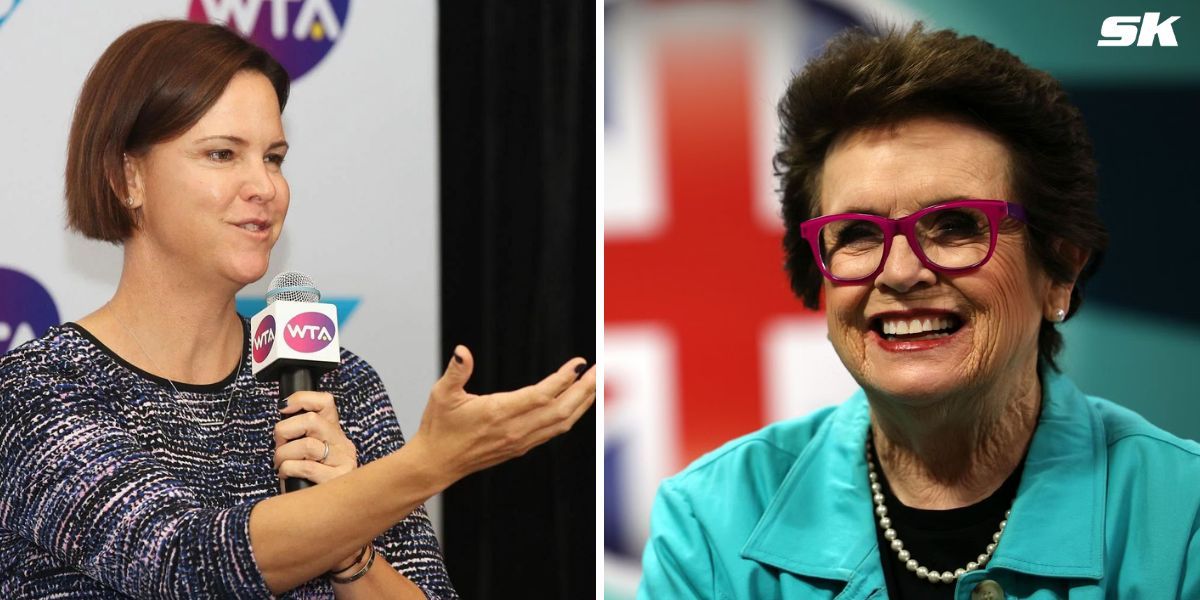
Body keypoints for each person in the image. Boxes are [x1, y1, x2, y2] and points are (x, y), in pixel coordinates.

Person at [0, 20, 596, 599]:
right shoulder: (39, 390)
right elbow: (185, 563)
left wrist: (348, 549)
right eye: (222, 154)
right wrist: (429, 464)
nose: (265, 186)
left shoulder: (338, 383)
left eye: (275, 157)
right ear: (125, 177)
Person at [638, 23, 1199, 599]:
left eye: (955, 226)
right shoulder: (708, 524)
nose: (902, 272)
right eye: (857, 233)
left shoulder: (1186, 518)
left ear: (1059, 270)